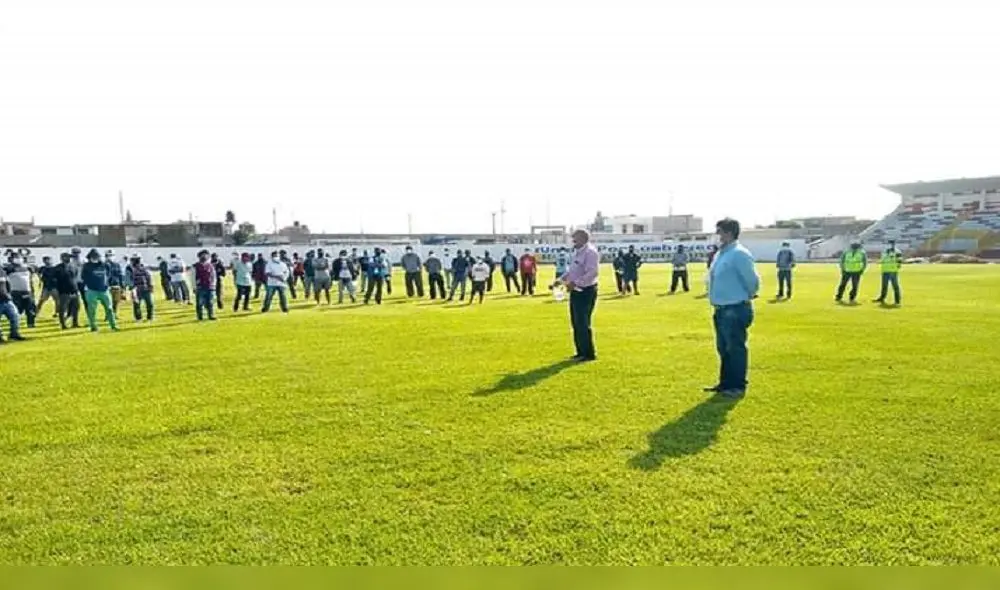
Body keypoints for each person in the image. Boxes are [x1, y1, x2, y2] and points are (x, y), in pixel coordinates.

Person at [705, 218, 760, 399]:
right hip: (721, 308)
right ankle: (726, 383)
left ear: (728, 233)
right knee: (723, 348)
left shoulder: (739, 254)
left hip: (735, 308)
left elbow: (752, 281)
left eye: (719, 231)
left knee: (735, 347)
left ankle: (737, 385)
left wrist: (748, 295)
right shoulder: (721, 254)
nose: (717, 236)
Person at [555, 230, 600, 362]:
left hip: (586, 291)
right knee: (576, 322)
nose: (573, 241)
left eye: (575, 239)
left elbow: (592, 273)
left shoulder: (590, 252)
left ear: (583, 239)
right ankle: (580, 352)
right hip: (575, 291)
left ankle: (588, 354)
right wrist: (561, 280)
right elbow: (572, 271)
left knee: (583, 322)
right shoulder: (577, 252)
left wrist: (575, 283)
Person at [81, 248, 119, 332]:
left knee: (109, 308)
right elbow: (83, 277)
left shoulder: (105, 265)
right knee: (92, 309)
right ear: (89, 257)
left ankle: (113, 325)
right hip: (91, 290)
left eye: (96, 256)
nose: (95, 258)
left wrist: (106, 284)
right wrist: (89, 285)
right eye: (93, 257)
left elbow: (108, 275)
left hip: (104, 290)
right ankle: (93, 326)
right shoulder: (86, 266)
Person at [4, 252, 36, 328]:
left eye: (18, 257)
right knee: (17, 310)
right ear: (11, 259)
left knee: (30, 309)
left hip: (27, 291)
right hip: (16, 292)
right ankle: (15, 325)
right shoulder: (9, 268)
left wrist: (32, 291)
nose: (18, 259)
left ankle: (31, 324)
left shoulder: (28, 268)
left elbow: (31, 279)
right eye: (15, 257)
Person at [54, 252, 81, 329]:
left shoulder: (73, 267)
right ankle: (63, 325)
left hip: (74, 290)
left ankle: (75, 323)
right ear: (62, 258)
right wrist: (57, 290)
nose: (69, 259)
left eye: (69, 257)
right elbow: (54, 280)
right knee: (63, 309)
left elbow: (75, 277)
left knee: (76, 307)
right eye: (67, 257)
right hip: (64, 292)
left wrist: (77, 290)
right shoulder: (57, 268)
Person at [0, 264, 26, 343]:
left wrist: (9, 294)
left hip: (6, 300)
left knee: (15, 316)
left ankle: (14, 334)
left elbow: (7, 283)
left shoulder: (2, 271)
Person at [873, 240, 903, 306]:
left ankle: (897, 301)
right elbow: (882, 260)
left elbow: (899, 262)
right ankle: (882, 298)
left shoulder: (897, 252)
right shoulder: (885, 251)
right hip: (885, 271)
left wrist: (895, 267)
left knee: (895, 286)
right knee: (884, 286)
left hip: (893, 271)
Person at [192, 250, 218, 321]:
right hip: (200, 287)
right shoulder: (195, 266)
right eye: (202, 255)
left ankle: (211, 315)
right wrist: (194, 287)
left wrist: (214, 285)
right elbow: (193, 277)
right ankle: (200, 316)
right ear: (199, 257)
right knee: (200, 303)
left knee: (210, 302)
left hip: (210, 286)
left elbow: (213, 276)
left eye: (206, 255)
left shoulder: (210, 266)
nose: (204, 257)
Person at [129, 255, 155, 321]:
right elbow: (130, 280)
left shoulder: (144, 269)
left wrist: (151, 286)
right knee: (137, 305)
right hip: (136, 290)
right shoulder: (131, 270)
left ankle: (150, 317)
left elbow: (149, 278)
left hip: (146, 289)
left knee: (150, 304)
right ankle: (138, 318)